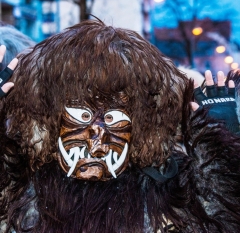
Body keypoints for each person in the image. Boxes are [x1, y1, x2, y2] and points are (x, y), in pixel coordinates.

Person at [0, 19, 239, 233]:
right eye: (83, 115)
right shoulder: (25, 183)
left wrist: (218, 146)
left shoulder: (169, 185)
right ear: (49, 117)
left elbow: (217, 220)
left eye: (113, 118)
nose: (97, 137)